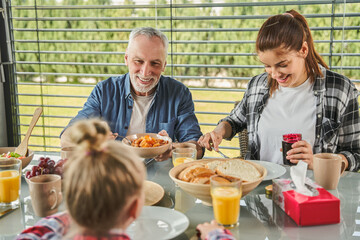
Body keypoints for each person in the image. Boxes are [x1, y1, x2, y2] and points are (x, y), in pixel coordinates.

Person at [198, 9, 359, 171]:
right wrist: (219, 132)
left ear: (303, 50)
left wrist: (319, 162)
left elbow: (356, 153)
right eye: (267, 66)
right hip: (259, 193)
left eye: (282, 65)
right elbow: (234, 121)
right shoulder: (257, 86)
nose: (274, 74)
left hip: (312, 193)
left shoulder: (339, 89)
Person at [17, 119, 233, 240]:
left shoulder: (47, 232)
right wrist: (215, 233)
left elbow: (39, 231)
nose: (146, 71)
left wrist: (72, 216)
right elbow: (67, 134)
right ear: (136, 208)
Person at [60, 27, 203, 161]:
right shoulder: (104, 91)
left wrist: (172, 148)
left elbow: (197, 146)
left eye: (155, 63)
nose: (145, 72)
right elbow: (66, 138)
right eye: (138, 61)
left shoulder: (179, 93)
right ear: (126, 59)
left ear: (164, 65)